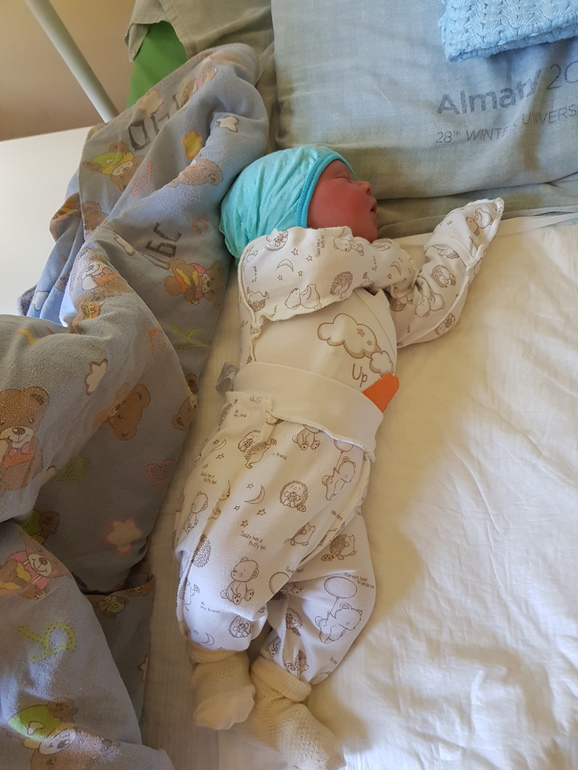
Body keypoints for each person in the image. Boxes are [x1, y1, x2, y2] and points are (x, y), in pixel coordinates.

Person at [174, 145, 503, 770]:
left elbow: (429, 310)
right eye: (345, 180)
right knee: (221, 552)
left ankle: (279, 693)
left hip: (342, 474)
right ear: (288, 210)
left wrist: (458, 238)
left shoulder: (376, 290)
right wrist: (385, 259)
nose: (370, 187)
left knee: (348, 593)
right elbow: (325, 262)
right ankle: (214, 657)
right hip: (266, 444)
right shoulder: (270, 263)